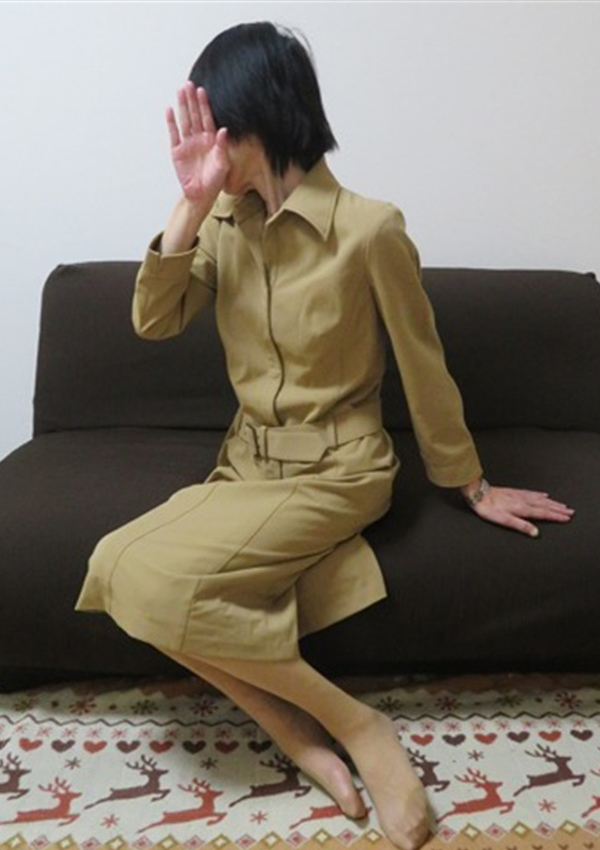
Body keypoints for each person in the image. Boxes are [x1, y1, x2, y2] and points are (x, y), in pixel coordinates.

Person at [75, 22, 574, 850]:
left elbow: (422, 362)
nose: (205, 146)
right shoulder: (223, 224)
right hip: (245, 470)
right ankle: (302, 727)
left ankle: (361, 730)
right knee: (111, 566)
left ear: (260, 120)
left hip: (339, 473)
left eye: (215, 128)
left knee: (154, 583)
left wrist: (472, 484)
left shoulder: (368, 230)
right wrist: (191, 203)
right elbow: (153, 321)